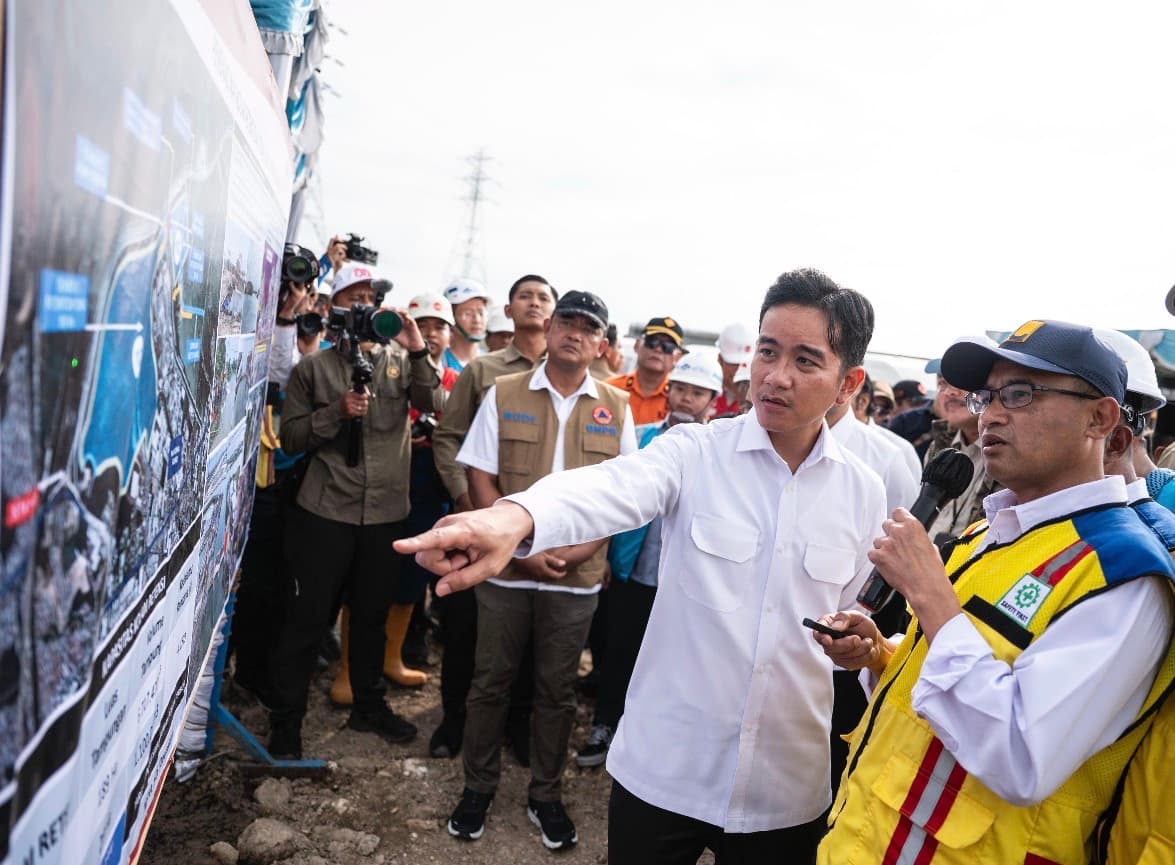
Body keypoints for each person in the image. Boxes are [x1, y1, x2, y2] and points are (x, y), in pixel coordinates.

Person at [398, 268, 887, 864]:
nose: (775, 376)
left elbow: (857, 612)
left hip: (783, 788)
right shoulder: (694, 452)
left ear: (848, 383)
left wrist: (862, 645)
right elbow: (611, 487)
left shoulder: (863, 492)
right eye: (767, 351)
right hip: (666, 772)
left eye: (806, 360)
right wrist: (516, 519)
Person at [812, 321, 1175, 865]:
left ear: (1101, 419)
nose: (992, 414)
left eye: (1022, 394)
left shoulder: (1123, 572)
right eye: (987, 396)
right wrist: (881, 656)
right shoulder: (994, 533)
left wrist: (931, 597)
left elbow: (1021, 755)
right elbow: (959, 675)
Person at [446, 290, 637, 851]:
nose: (576, 334)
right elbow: (481, 479)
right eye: (568, 322)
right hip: (505, 571)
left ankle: (545, 795)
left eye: (588, 328)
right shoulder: (504, 392)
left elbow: (623, 496)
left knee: (556, 690)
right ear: (550, 330)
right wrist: (517, 549)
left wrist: (580, 553)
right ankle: (477, 788)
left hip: (574, 578)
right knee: (491, 682)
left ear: (601, 342)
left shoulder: (615, 406)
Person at [264, 264, 447, 759]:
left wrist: (415, 345)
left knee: (370, 616)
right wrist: (336, 413)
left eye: (370, 295)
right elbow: (293, 437)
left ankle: (369, 705)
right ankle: (286, 723)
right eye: (353, 296)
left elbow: (435, 400)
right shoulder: (313, 368)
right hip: (324, 513)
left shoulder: (402, 361)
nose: (363, 305)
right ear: (336, 304)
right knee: (306, 621)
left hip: (386, 513)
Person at [428, 274, 557, 759]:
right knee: (464, 628)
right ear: (509, 308)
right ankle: (453, 723)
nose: (533, 303)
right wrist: (469, 505)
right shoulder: (483, 370)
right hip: (474, 519)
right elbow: (448, 438)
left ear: (555, 314)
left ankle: (516, 726)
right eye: (524, 295)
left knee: (525, 637)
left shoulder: (569, 371)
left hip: (538, 527)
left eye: (543, 297)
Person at [575, 354, 723, 770]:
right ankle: (605, 726)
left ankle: (660, 745)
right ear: (668, 390)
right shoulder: (639, 437)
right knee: (618, 653)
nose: (687, 398)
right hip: (634, 572)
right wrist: (605, 556)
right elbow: (613, 502)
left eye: (697, 392)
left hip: (689, 582)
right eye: (681, 388)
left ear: (712, 399)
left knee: (675, 665)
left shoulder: (723, 454)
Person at [922, 337, 1002, 544]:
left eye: (963, 383)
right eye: (943, 383)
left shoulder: (1010, 452)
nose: (950, 392)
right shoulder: (938, 447)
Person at [607, 317, 687, 425]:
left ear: (677, 357)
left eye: (667, 346)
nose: (658, 349)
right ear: (636, 346)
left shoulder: (682, 400)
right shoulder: (610, 388)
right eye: (652, 342)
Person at [442, 277, 492, 371]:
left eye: (481, 313)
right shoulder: (440, 362)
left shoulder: (491, 363)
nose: (477, 320)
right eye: (468, 314)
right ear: (450, 317)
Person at [712, 322, 755, 417]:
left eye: (746, 363)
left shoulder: (758, 401)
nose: (740, 369)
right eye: (734, 364)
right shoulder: (704, 390)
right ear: (720, 360)